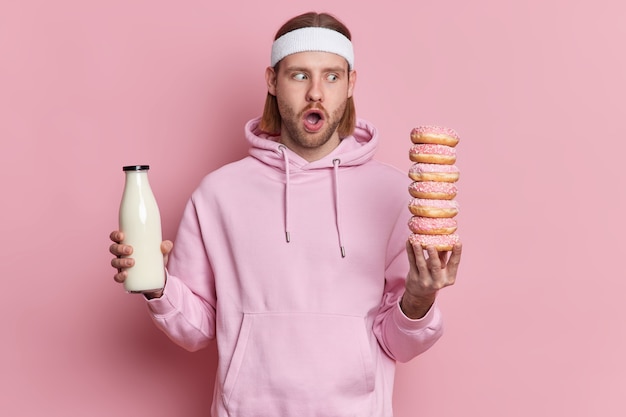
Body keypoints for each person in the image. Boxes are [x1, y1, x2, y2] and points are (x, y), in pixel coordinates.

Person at [109, 11, 462, 417]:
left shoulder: (395, 194)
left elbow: (399, 342)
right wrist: (156, 284)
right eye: (299, 75)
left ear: (350, 85)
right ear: (272, 82)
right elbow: (198, 329)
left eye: (331, 76)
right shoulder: (218, 194)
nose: (316, 92)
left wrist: (420, 298)